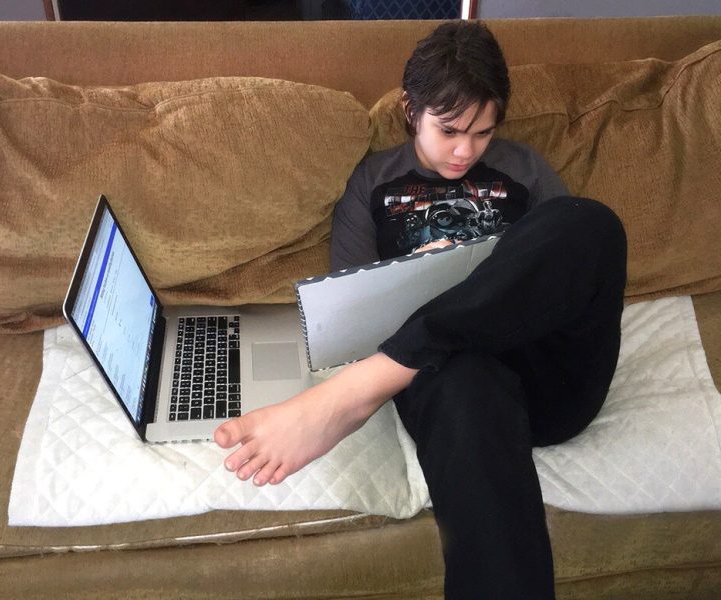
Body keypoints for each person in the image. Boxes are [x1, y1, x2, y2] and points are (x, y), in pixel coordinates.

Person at [215, 21, 627, 599]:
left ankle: (352, 396)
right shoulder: (373, 183)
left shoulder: (525, 169)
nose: (466, 150)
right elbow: (350, 313)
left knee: (591, 223)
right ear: (412, 110)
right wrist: (416, 275)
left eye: (483, 133)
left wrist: (483, 270)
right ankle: (379, 375)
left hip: (549, 375)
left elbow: (565, 274)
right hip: (452, 381)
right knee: (461, 374)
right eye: (450, 130)